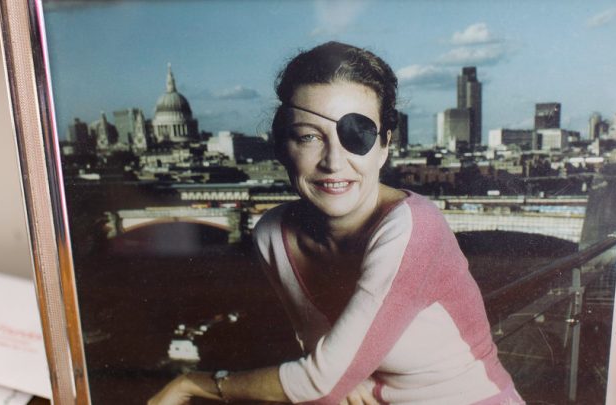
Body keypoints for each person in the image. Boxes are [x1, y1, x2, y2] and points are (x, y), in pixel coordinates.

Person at [149, 41, 523, 405]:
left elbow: (318, 381)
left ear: (385, 146)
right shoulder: (271, 235)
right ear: (282, 147)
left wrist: (194, 384)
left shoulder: (415, 229)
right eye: (309, 136)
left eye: (357, 135)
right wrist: (337, 379)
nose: (333, 161)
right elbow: (324, 366)